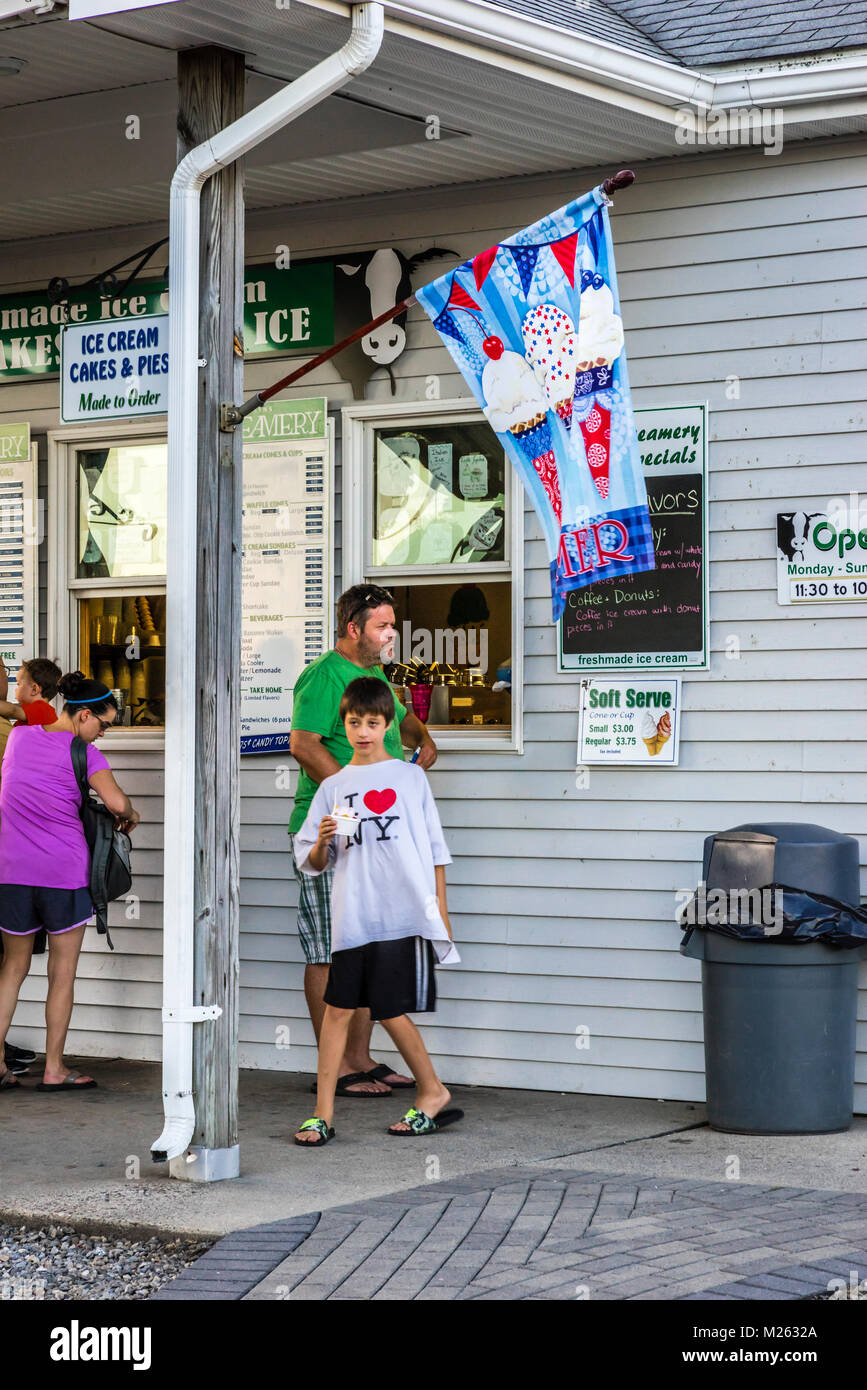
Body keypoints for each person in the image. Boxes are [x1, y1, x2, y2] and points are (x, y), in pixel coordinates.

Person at [292, 677, 461, 1145]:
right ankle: (322, 1113)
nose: (362, 731)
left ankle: (432, 1091)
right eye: (353, 722)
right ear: (342, 725)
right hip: (354, 916)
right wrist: (324, 840)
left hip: (400, 912)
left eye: (372, 722)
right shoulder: (334, 785)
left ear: (388, 725)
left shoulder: (410, 778)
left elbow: (434, 850)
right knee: (337, 1011)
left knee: (390, 1009)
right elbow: (314, 861)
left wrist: (439, 912)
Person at [289, 584, 438, 1097]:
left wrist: (424, 738)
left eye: (392, 625)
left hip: (380, 832)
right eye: (382, 626)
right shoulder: (322, 676)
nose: (391, 634)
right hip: (332, 832)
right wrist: (345, 804)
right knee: (328, 948)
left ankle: (360, 1056)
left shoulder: (375, 675)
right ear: (354, 628)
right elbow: (303, 744)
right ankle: (338, 1065)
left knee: (372, 939)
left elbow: (400, 715)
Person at [0, 672, 139, 1093]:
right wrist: (130, 814)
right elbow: (118, 804)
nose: (102, 734)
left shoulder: (20, 738)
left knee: (11, 969)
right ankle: (54, 1069)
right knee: (63, 975)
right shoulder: (84, 753)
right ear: (82, 715)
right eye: (103, 724)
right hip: (63, 876)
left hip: (10, 873)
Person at [0, 655, 63, 733]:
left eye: (18, 684)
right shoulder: (41, 711)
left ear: (34, 689)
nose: (16, 689)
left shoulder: (42, 709)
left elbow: (12, 710)